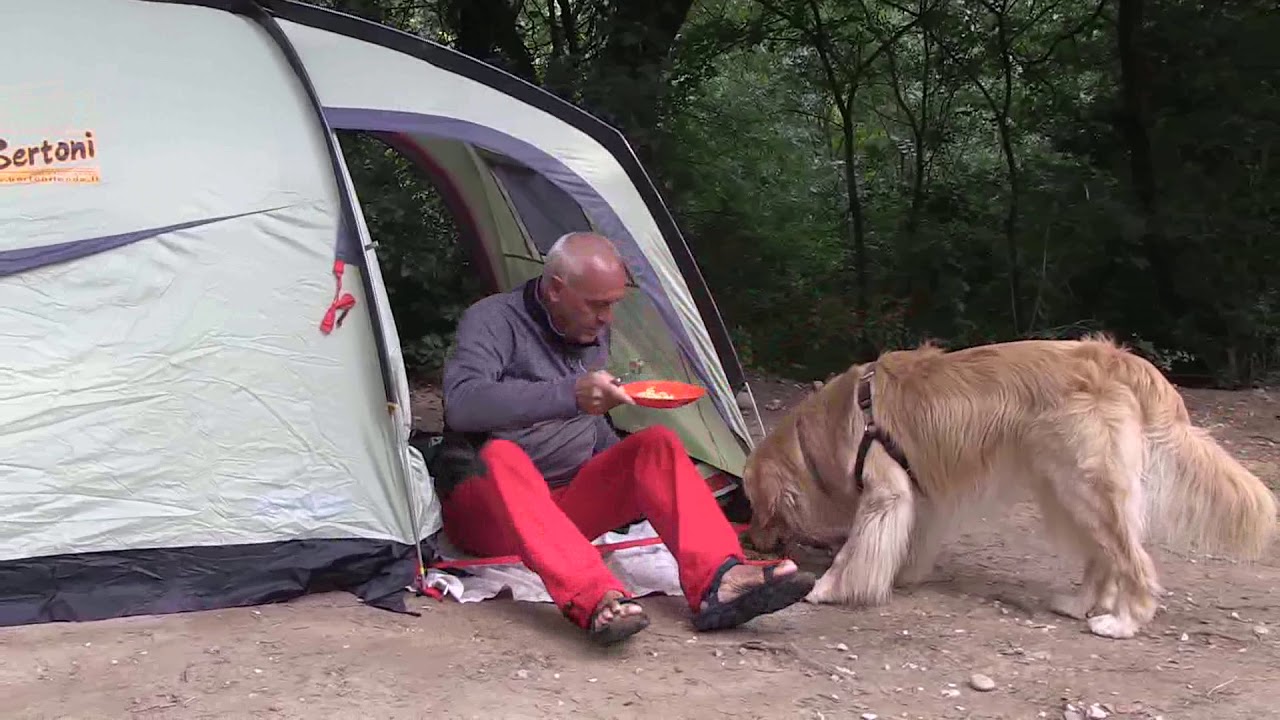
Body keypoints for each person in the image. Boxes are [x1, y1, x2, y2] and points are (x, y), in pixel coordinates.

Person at [439, 230, 815, 645]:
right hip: (491, 509)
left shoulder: (593, 330)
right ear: (557, 290)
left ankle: (719, 580)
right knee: (503, 455)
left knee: (656, 444)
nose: (607, 319)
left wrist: (634, 477)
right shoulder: (491, 320)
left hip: (565, 507)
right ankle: (593, 597)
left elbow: (583, 424)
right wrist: (569, 394)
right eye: (597, 305)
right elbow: (463, 404)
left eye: (613, 305)